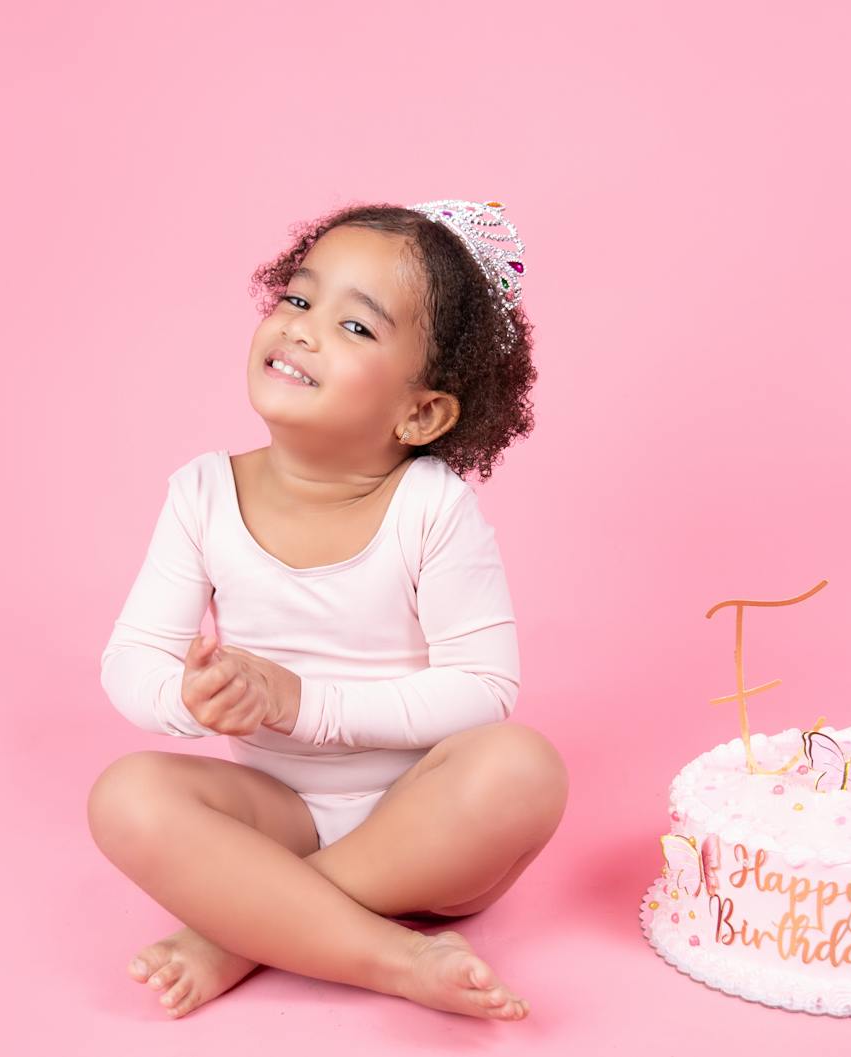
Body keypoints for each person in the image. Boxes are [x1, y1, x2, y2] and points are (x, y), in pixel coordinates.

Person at [89, 200, 565, 1022]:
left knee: (523, 769)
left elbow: (485, 688)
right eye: (300, 301)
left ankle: (240, 931)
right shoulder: (203, 493)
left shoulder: (433, 508)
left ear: (420, 413)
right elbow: (133, 656)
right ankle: (395, 957)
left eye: (357, 328)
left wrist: (302, 703)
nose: (303, 331)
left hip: (424, 813)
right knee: (125, 795)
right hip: (274, 815)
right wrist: (186, 700)